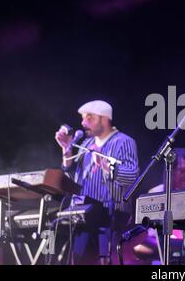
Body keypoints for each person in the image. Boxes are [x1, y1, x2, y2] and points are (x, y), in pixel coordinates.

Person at [55, 100, 139, 264]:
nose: (83, 122)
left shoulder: (124, 141)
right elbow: (72, 176)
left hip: (112, 218)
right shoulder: (86, 144)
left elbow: (132, 177)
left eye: (89, 118)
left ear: (104, 119)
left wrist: (107, 167)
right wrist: (66, 151)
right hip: (83, 217)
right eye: (83, 118)